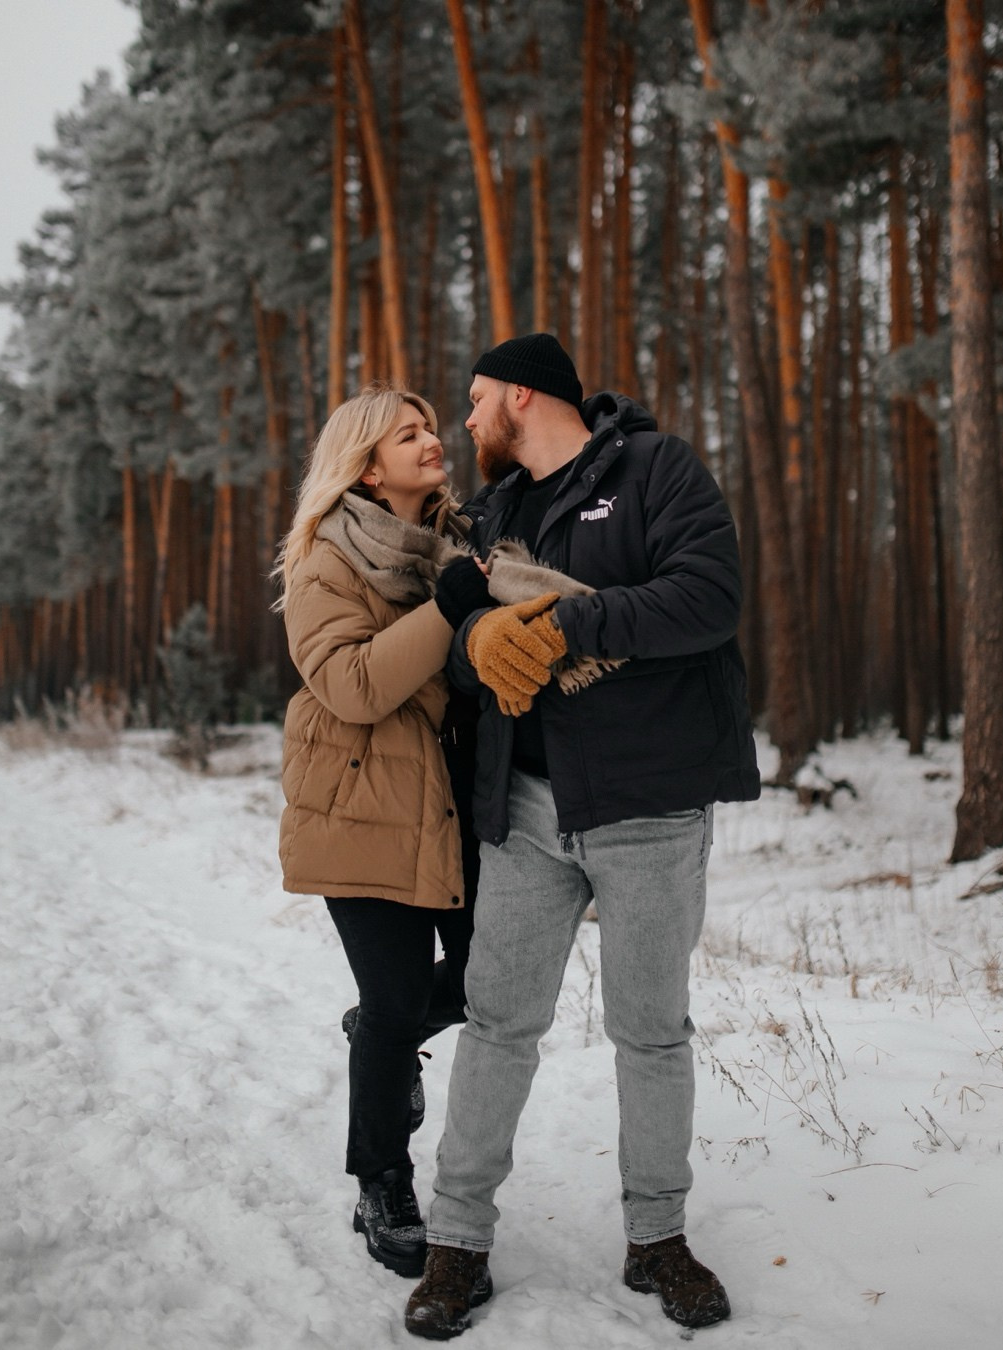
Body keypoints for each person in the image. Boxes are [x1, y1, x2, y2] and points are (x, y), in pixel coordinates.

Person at [403, 334, 761, 1339]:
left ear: (524, 394)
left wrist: (571, 626)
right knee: (498, 1023)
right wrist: (478, 641)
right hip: (522, 808)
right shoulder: (496, 513)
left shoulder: (655, 469)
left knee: (650, 1030)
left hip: (648, 804)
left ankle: (658, 1240)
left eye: (476, 401)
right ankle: (456, 1243)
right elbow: (469, 642)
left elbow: (710, 595)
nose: (464, 422)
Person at [274, 385, 523, 1280]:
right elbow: (353, 688)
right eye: (409, 434)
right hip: (360, 803)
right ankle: (382, 1178)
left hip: (460, 798)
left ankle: (382, 1034)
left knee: (492, 979)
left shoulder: (465, 542)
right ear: (368, 466)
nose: (433, 442)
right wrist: (451, 608)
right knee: (391, 1004)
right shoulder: (325, 562)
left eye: (430, 428)